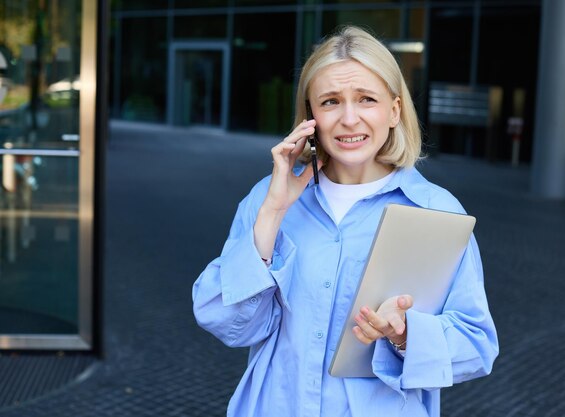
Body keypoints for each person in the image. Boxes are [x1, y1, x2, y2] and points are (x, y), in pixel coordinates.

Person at [192, 25, 498, 417]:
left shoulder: (436, 211)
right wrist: (271, 215)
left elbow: (477, 345)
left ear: (394, 110)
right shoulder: (267, 199)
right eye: (331, 101)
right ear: (310, 116)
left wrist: (405, 335)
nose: (349, 119)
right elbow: (225, 320)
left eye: (366, 99)